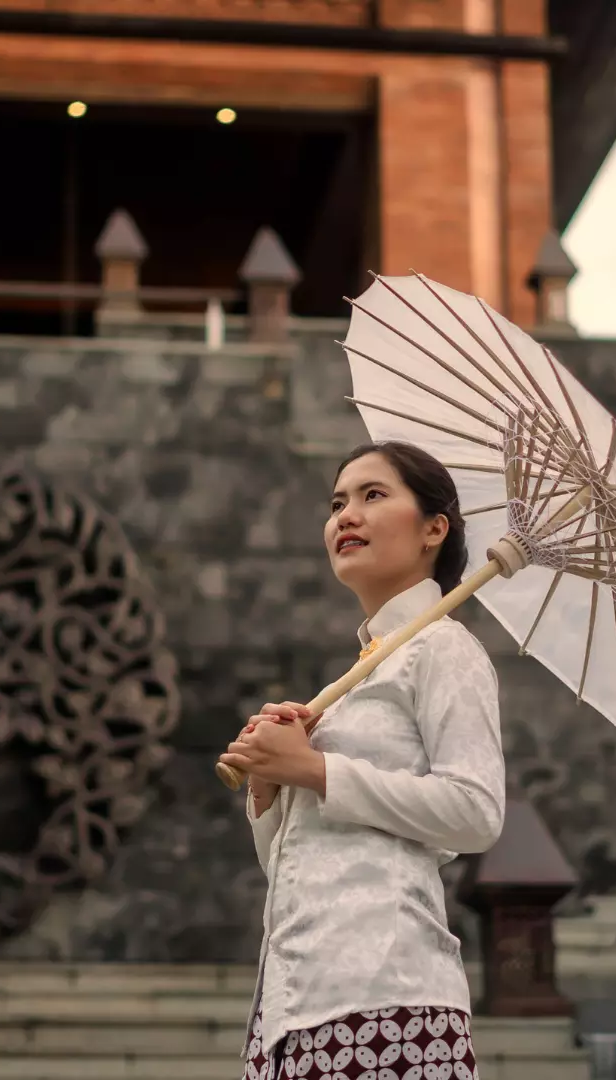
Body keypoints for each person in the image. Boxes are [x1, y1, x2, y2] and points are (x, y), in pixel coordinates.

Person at [219, 440, 506, 1080]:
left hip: (388, 1003)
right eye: (337, 501)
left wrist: (313, 770)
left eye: (374, 496)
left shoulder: (444, 649)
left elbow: (476, 812)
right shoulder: (362, 675)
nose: (346, 515)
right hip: (294, 1004)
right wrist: (270, 784)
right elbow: (295, 861)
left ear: (436, 528)